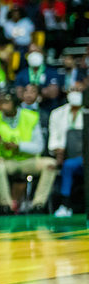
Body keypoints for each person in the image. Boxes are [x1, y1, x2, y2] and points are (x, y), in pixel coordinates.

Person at [0, 90, 56, 212]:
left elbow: (39, 146)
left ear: (15, 103)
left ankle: (38, 204)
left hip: (28, 161)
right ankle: (6, 206)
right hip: (7, 161)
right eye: (1, 102)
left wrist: (19, 146)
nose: (3, 105)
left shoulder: (30, 117)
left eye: (6, 102)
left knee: (50, 164)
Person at [49, 84, 85, 217]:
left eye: (79, 90)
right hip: (67, 157)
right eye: (72, 90)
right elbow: (53, 140)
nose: (75, 93)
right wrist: (59, 150)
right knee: (68, 166)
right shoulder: (57, 113)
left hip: (85, 156)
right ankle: (65, 205)